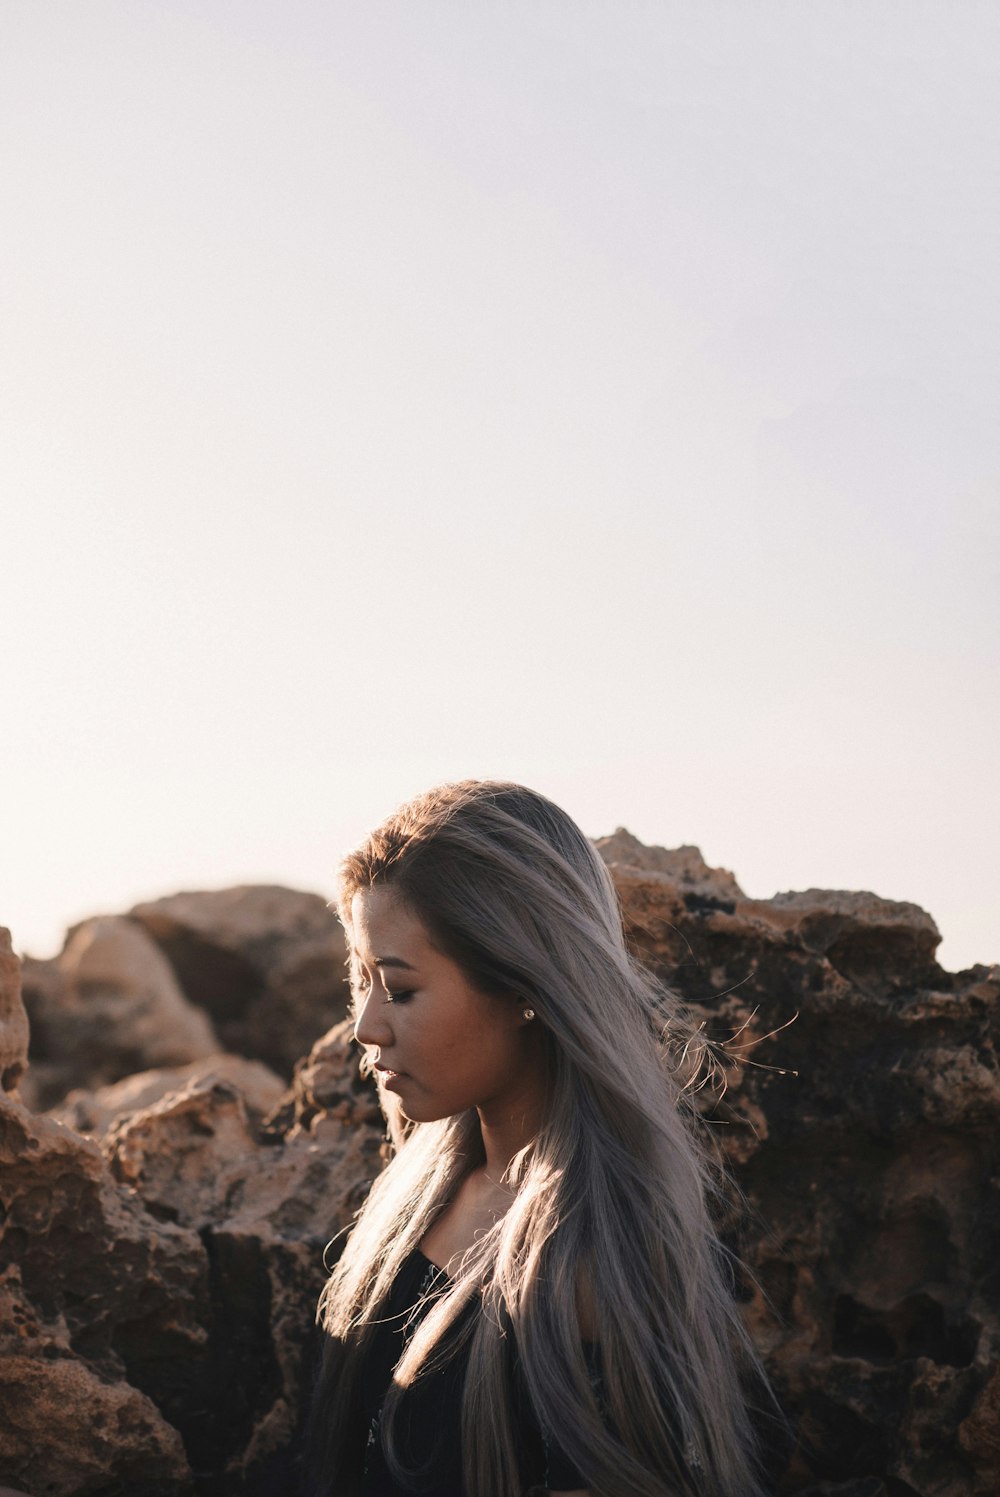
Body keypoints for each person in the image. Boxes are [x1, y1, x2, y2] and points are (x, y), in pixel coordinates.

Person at [303, 780, 771, 1497]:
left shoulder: (592, 1260)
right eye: (362, 977)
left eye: (400, 987)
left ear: (524, 984)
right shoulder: (424, 1185)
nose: (366, 1025)